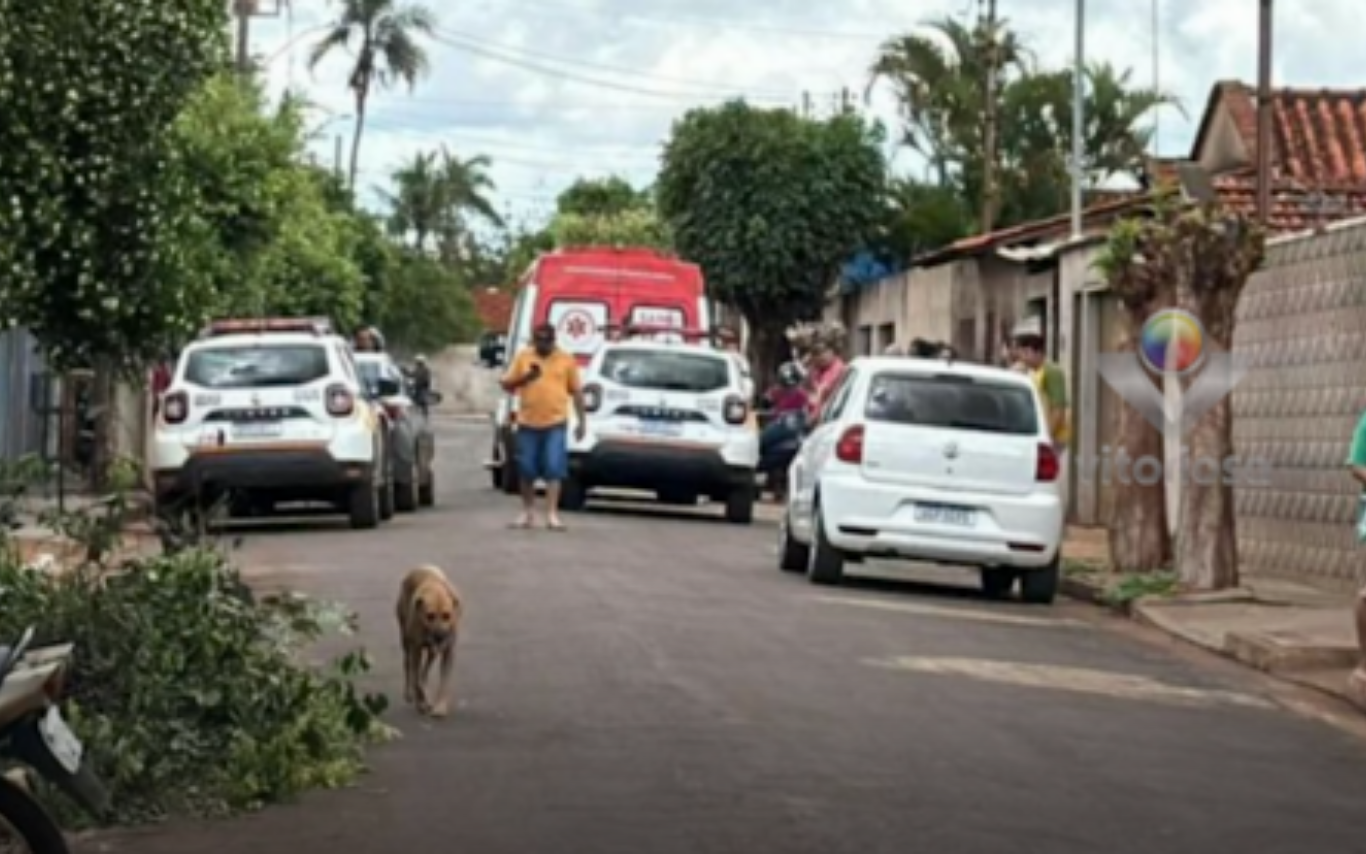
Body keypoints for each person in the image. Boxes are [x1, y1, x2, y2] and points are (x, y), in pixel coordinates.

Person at [500, 323, 587, 531]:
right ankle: (527, 512)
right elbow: (506, 384)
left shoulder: (566, 360)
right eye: (539, 340)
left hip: (555, 422)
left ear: (553, 340)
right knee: (526, 468)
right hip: (527, 421)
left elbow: (576, 392)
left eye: (547, 340)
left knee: (553, 467)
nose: (543, 344)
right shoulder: (524, 357)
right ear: (534, 340)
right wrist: (526, 378)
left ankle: (552, 514)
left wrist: (582, 422)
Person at [1014, 332, 1071, 454]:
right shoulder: (1032, 371)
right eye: (1021, 353)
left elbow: (1058, 408)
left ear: (1039, 353)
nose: (1023, 358)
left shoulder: (1051, 372)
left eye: (1027, 353)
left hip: (1052, 435)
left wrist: (1046, 436)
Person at [803, 339, 846, 423]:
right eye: (817, 355)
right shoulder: (818, 368)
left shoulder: (837, 367)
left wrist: (813, 416)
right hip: (821, 413)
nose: (822, 357)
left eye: (824, 353)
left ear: (832, 352)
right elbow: (808, 386)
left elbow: (821, 391)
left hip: (829, 416)